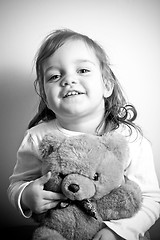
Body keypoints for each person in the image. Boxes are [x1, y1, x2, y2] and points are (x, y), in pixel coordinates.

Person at [8, 29, 160, 240]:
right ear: (45, 95)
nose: (68, 80)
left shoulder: (128, 139)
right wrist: (25, 196)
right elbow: (17, 183)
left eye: (82, 70)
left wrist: (118, 233)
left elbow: (151, 199)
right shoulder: (38, 138)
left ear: (106, 85)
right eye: (54, 76)